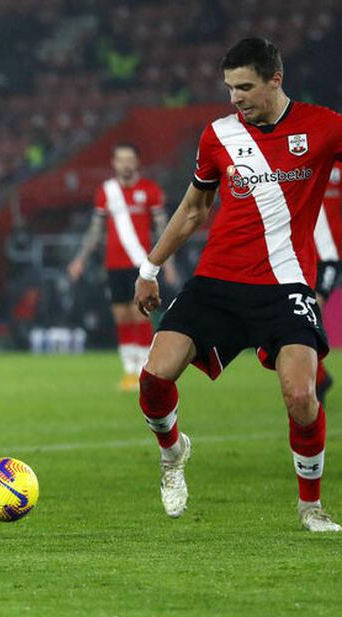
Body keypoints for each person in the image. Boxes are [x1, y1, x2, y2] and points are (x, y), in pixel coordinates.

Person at [134, 38, 342, 532]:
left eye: (245, 87)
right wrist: (149, 268)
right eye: (229, 88)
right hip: (217, 282)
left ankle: (310, 506)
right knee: (154, 379)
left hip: (286, 285)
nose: (235, 98)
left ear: (276, 79)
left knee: (301, 395)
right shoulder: (219, 136)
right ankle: (173, 453)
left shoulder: (325, 127)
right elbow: (193, 211)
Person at [66, 144, 172, 391]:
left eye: (129, 159)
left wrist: (168, 262)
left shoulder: (150, 190)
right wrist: (80, 259)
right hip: (114, 265)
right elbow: (96, 230)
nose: (125, 164)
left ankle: (146, 371)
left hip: (141, 264)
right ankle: (128, 372)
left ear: (137, 162)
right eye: (121, 160)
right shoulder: (107, 192)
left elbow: (163, 229)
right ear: (113, 163)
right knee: (121, 316)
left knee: (141, 315)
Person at [310, 159, 342, 405]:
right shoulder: (306, 164)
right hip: (305, 255)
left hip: (330, 257)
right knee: (306, 318)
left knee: (312, 311)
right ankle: (319, 378)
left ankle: (318, 379)